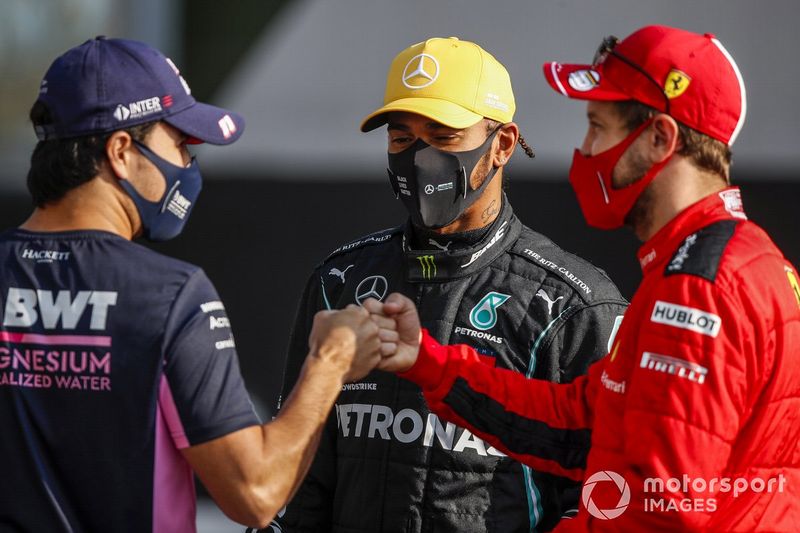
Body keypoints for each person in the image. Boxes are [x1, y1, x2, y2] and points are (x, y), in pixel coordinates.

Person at [375, 25, 800, 531]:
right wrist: (429, 363)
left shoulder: (699, 283)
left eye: (598, 127)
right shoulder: (731, 258)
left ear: (660, 139)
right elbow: (584, 421)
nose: (586, 149)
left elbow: (664, 507)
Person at [0, 36, 391, 532]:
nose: (188, 165)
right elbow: (255, 493)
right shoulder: (170, 296)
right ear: (121, 151)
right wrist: (330, 362)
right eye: (181, 143)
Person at [277, 37, 627, 532]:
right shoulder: (340, 281)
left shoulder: (574, 305)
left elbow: (607, 498)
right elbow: (297, 480)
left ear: (503, 145)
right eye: (402, 140)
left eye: (443, 137)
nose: (421, 158)